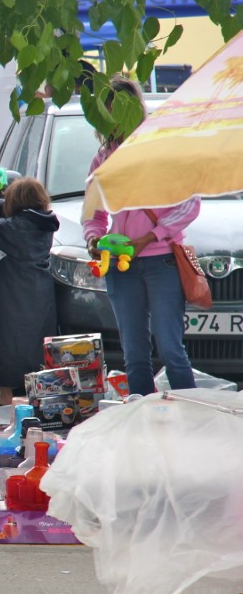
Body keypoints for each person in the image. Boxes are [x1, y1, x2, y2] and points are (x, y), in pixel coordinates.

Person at [83, 76, 199, 396]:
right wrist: (93, 239)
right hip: (121, 266)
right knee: (134, 356)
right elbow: (94, 213)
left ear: (135, 109)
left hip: (162, 261)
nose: (113, 119)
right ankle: (142, 427)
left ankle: (189, 425)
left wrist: (151, 236)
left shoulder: (164, 150)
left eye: (118, 110)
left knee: (171, 351)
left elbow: (190, 205)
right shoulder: (104, 157)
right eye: (107, 112)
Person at [0, 177, 60, 405]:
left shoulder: (17, 228)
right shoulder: (43, 223)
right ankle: (32, 393)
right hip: (40, 293)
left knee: (7, 343)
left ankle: (6, 396)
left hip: (12, 292)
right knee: (35, 344)